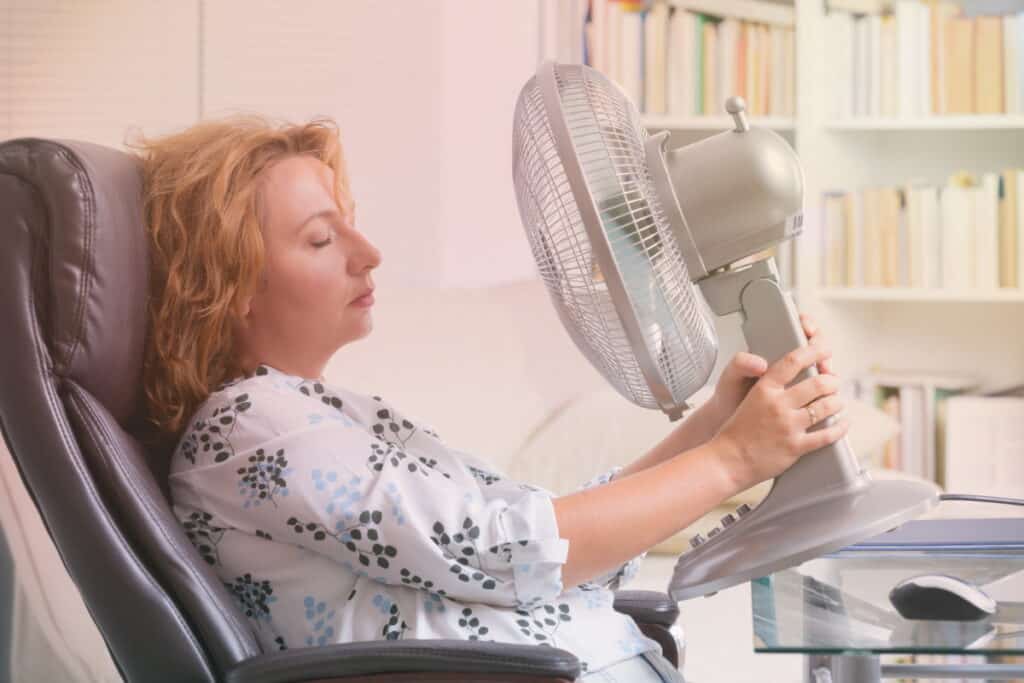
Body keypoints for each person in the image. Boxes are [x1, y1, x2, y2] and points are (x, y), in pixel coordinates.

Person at [131, 114, 848, 682]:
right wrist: (731, 460)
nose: (367, 250)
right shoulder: (252, 426)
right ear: (228, 287)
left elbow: (535, 537)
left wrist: (717, 425)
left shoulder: (317, 414)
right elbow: (509, 553)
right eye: (322, 239)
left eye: (349, 220)